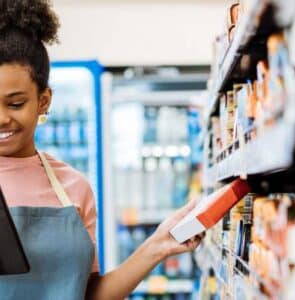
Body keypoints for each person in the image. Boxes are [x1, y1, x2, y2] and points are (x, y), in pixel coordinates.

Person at [0, 1, 204, 299]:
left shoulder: (73, 188)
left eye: (16, 103)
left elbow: (91, 294)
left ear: (44, 101)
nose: (2, 118)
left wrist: (158, 244)